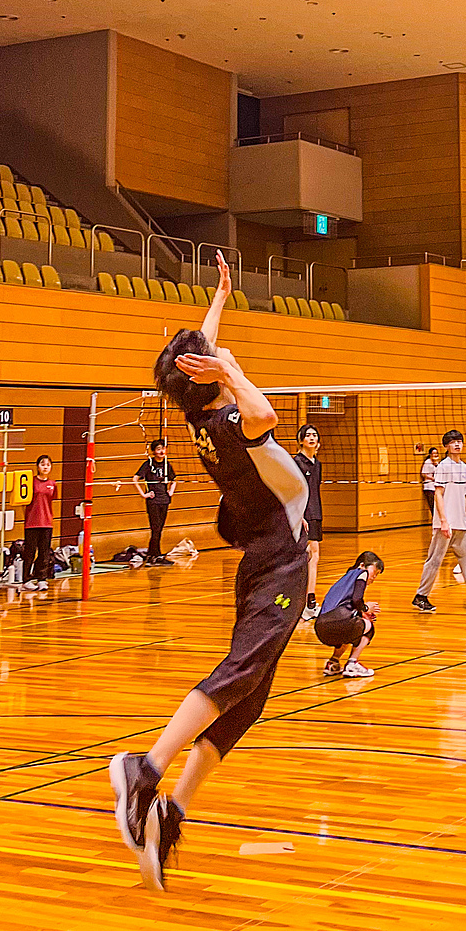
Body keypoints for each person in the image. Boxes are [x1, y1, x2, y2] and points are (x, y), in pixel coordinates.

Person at [110, 250, 309, 891]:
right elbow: (266, 415)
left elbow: (199, 361)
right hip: (278, 561)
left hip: (260, 561)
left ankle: (172, 814)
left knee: (249, 699)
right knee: (241, 675)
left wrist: (221, 297)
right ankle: (146, 769)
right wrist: (230, 369)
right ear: (208, 375)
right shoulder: (232, 418)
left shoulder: (196, 414)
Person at [412, 430, 466, 613]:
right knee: (435, 560)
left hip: (462, 523)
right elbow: (438, 494)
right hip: (446, 523)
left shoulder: (464, 467)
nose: (457, 445)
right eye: (453, 442)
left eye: (459, 441)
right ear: (446, 446)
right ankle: (421, 596)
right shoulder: (443, 466)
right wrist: (443, 521)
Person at [315, 550, 383, 678]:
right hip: (338, 622)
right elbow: (357, 600)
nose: (374, 577)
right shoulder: (361, 573)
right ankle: (352, 664)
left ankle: (333, 663)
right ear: (362, 565)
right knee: (368, 627)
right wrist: (367, 608)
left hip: (321, 628)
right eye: (374, 572)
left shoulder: (344, 580)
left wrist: (361, 613)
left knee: (352, 629)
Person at [295, 425, 324, 621]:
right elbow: (293, 490)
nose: (311, 438)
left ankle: (308, 602)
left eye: (314, 435)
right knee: (309, 557)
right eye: (307, 435)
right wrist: (299, 515)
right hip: (303, 515)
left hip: (316, 513)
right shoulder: (296, 462)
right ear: (301, 440)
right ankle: (307, 603)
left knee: (313, 557)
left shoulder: (317, 464)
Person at [132, 439, 175, 568]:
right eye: (158, 449)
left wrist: (171, 491)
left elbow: (174, 480)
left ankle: (152, 555)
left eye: (163, 448)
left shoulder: (167, 465)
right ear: (154, 451)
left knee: (159, 529)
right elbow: (134, 479)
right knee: (155, 529)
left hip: (164, 500)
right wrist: (143, 494)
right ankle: (156, 555)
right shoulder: (148, 464)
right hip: (153, 501)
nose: (161, 451)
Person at [24, 453, 56, 588]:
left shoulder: (52, 484)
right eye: (43, 464)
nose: (45, 467)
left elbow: (51, 500)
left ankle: (42, 578)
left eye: (48, 464)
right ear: (37, 466)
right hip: (32, 522)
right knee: (30, 552)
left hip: (47, 522)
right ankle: (26, 579)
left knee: (44, 552)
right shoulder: (30, 482)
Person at [419, 447, 437, 524]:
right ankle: (435, 520)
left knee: (437, 505)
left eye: (436, 453)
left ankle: (437, 520)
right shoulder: (427, 462)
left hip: (435, 486)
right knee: (432, 505)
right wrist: (432, 478)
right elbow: (423, 474)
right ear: (430, 454)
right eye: (433, 453)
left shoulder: (437, 463)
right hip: (428, 486)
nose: (435, 455)